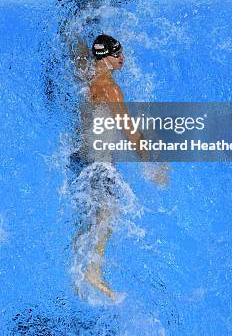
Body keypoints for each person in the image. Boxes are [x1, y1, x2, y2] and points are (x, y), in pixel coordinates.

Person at [69, 34, 167, 300]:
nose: (123, 59)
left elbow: (75, 48)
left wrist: (73, 29)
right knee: (108, 214)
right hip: (99, 161)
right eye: (118, 55)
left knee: (90, 215)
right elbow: (130, 131)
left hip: (78, 155)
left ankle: (77, 270)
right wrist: (152, 165)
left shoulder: (84, 70)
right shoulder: (110, 88)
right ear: (105, 58)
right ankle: (92, 273)